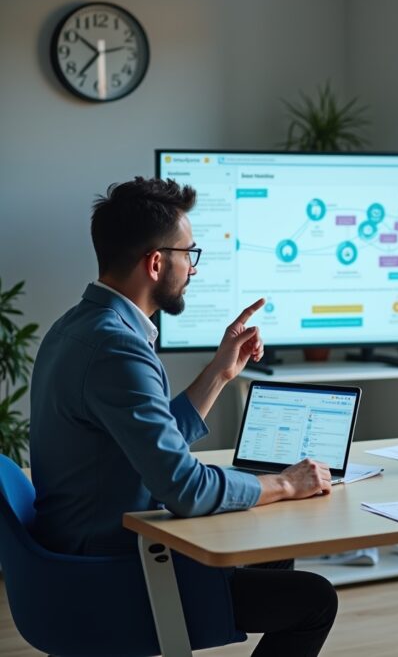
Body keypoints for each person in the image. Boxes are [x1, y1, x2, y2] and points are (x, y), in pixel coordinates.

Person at [29, 177, 337, 656]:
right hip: (112, 573)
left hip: (84, 547)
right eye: (189, 253)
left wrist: (219, 372)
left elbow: (145, 440)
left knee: (274, 550)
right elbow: (186, 489)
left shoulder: (79, 326)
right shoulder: (116, 347)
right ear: (156, 263)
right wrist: (285, 483)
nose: (192, 268)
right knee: (314, 600)